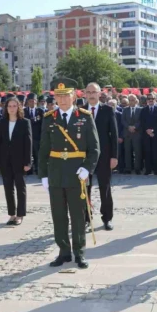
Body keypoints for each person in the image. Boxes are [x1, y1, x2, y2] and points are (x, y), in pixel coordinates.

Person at [39, 79, 99, 269]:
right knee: (58, 215)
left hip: (77, 174)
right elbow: (42, 149)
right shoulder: (49, 118)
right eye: (59, 96)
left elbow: (95, 148)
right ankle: (63, 252)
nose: (62, 99)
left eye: (66, 95)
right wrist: (44, 175)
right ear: (54, 97)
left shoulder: (84, 116)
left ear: (74, 96)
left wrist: (87, 168)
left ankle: (79, 252)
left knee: (78, 216)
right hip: (56, 173)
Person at [84, 82, 119, 231]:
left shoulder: (107, 110)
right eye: (89, 92)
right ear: (85, 94)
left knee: (105, 187)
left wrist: (114, 156)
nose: (91, 94)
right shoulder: (79, 111)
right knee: (85, 188)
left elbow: (114, 134)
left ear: (100, 94)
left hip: (104, 156)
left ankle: (107, 218)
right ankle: (86, 218)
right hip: (84, 157)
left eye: (94, 92)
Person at [0, 96, 31, 226]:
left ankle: (20, 214)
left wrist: (28, 162)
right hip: (4, 160)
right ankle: (12, 214)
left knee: (20, 187)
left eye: (14, 106)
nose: (12, 108)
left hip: (20, 161)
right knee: (8, 188)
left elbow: (28, 143)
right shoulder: (2, 122)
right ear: (6, 108)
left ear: (18, 107)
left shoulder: (24, 122)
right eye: (9, 106)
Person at [139, 92, 157, 175]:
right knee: (147, 152)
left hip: (155, 134)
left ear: (155, 99)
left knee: (156, 152)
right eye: (149, 99)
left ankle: (156, 170)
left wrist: (153, 130)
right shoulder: (143, 110)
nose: (150, 100)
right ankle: (148, 169)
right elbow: (142, 121)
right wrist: (147, 131)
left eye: (152, 99)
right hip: (146, 134)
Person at [23, 93, 46, 175]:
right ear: (27, 102)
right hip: (26, 136)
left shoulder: (40, 111)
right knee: (28, 154)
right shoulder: (24, 111)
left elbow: (43, 125)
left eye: (34, 101)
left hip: (37, 137)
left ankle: (37, 169)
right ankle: (28, 170)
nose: (32, 102)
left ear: (36, 101)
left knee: (37, 154)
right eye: (30, 101)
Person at [121, 94, 142, 174]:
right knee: (127, 151)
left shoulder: (140, 110)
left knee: (137, 151)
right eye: (130, 100)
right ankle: (128, 168)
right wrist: (129, 127)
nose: (131, 102)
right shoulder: (125, 110)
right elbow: (123, 120)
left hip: (137, 133)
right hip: (127, 133)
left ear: (136, 100)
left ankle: (137, 168)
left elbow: (140, 120)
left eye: (133, 100)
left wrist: (135, 127)